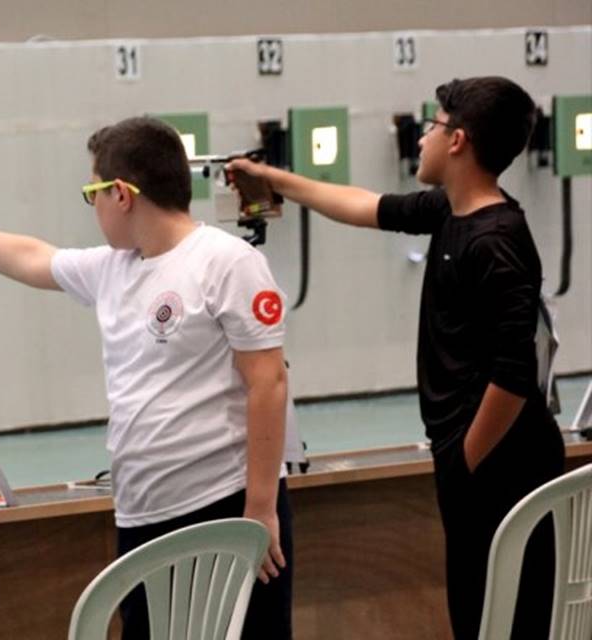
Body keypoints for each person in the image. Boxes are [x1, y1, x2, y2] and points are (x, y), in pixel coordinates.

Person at [0, 116, 294, 639]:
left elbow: (268, 383)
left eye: (93, 193)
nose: (93, 206)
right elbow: (32, 257)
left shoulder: (226, 262)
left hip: (224, 506)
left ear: (121, 194)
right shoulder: (113, 268)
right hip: (143, 513)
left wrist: (260, 510)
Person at [229, 76, 563, 639]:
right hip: (475, 455)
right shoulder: (451, 211)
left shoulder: (496, 240)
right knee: (476, 610)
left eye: (433, 125)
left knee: (506, 616)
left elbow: (514, 374)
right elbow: (364, 206)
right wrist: (272, 179)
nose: (423, 138)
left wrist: (465, 460)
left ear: (457, 141)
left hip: (501, 463)